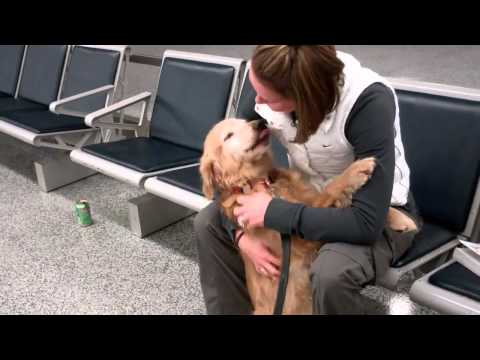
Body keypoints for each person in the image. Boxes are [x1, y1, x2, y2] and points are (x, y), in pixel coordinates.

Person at [194, 45, 422, 315]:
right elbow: (226, 166)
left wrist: (273, 212)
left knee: (330, 275)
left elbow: (365, 224)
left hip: (374, 212)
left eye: (269, 99)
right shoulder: (270, 77)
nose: (257, 101)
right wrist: (240, 233)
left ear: (303, 97)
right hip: (308, 196)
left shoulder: (369, 101)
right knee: (207, 223)